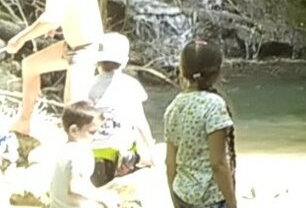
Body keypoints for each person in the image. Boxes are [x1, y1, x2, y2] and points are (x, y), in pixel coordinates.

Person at [5, 0, 104, 136]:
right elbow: (65, 10)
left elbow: (50, 18)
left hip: (86, 49)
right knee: (30, 65)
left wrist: (19, 39)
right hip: (72, 45)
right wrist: (56, 25)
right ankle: (24, 122)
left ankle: (81, 152)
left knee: (73, 109)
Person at [164, 39, 238, 208]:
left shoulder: (174, 106)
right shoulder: (214, 105)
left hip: (182, 194)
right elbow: (218, 163)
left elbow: (170, 162)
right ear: (217, 72)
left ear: (182, 70)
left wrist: (173, 197)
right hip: (210, 198)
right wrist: (233, 203)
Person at [88, 32, 156, 186]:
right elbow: (140, 123)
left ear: (97, 61)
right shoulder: (131, 85)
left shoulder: (88, 85)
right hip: (123, 153)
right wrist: (152, 151)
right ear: (124, 62)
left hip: (94, 154)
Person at [50, 100, 118, 208]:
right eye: (92, 132)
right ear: (74, 131)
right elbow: (74, 190)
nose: (95, 137)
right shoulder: (78, 153)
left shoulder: (65, 150)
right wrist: (103, 198)